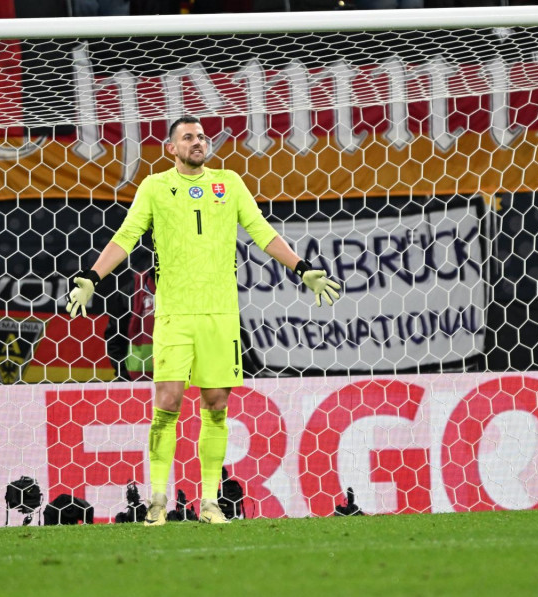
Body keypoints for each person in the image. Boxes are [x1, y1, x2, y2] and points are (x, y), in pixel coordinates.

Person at [66, 115, 340, 525]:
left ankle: (209, 501)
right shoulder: (155, 188)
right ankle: (158, 500)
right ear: (171, 148)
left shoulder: (228, 182)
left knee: (215, 405)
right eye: (188, 137)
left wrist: (303, 269)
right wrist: (91, 276)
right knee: (168, 403)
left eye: (202, 136)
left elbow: (262, 232)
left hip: (220, 315)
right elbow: (125, 237)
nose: (198, 142)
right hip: (174, 315)